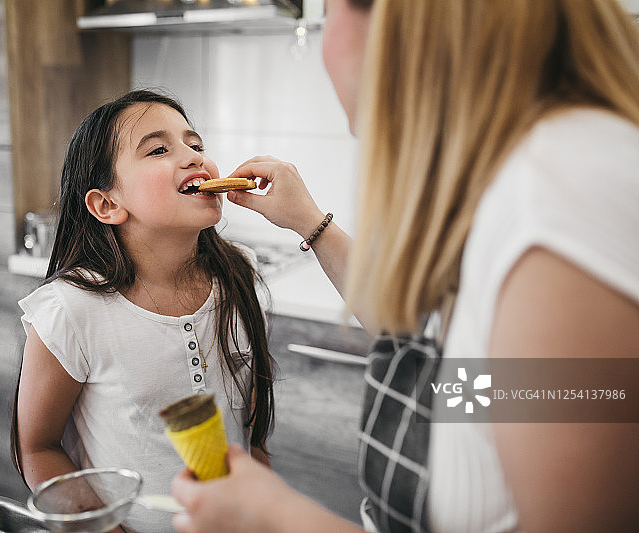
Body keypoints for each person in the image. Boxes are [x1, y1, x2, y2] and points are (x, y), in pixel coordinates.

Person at [170, 1, 639, 532]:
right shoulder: (516, 178)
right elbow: (471, 378)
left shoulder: (563, 202)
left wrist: (276, 518)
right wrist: (310, 223)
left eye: (332, 8)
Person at [10, 90, 275, 533]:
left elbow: (250, 429)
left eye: (196, 145)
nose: (194, 157)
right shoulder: (71, 310)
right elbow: (36, 448)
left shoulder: (238, 276)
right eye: (158, 149)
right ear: (107, 204)